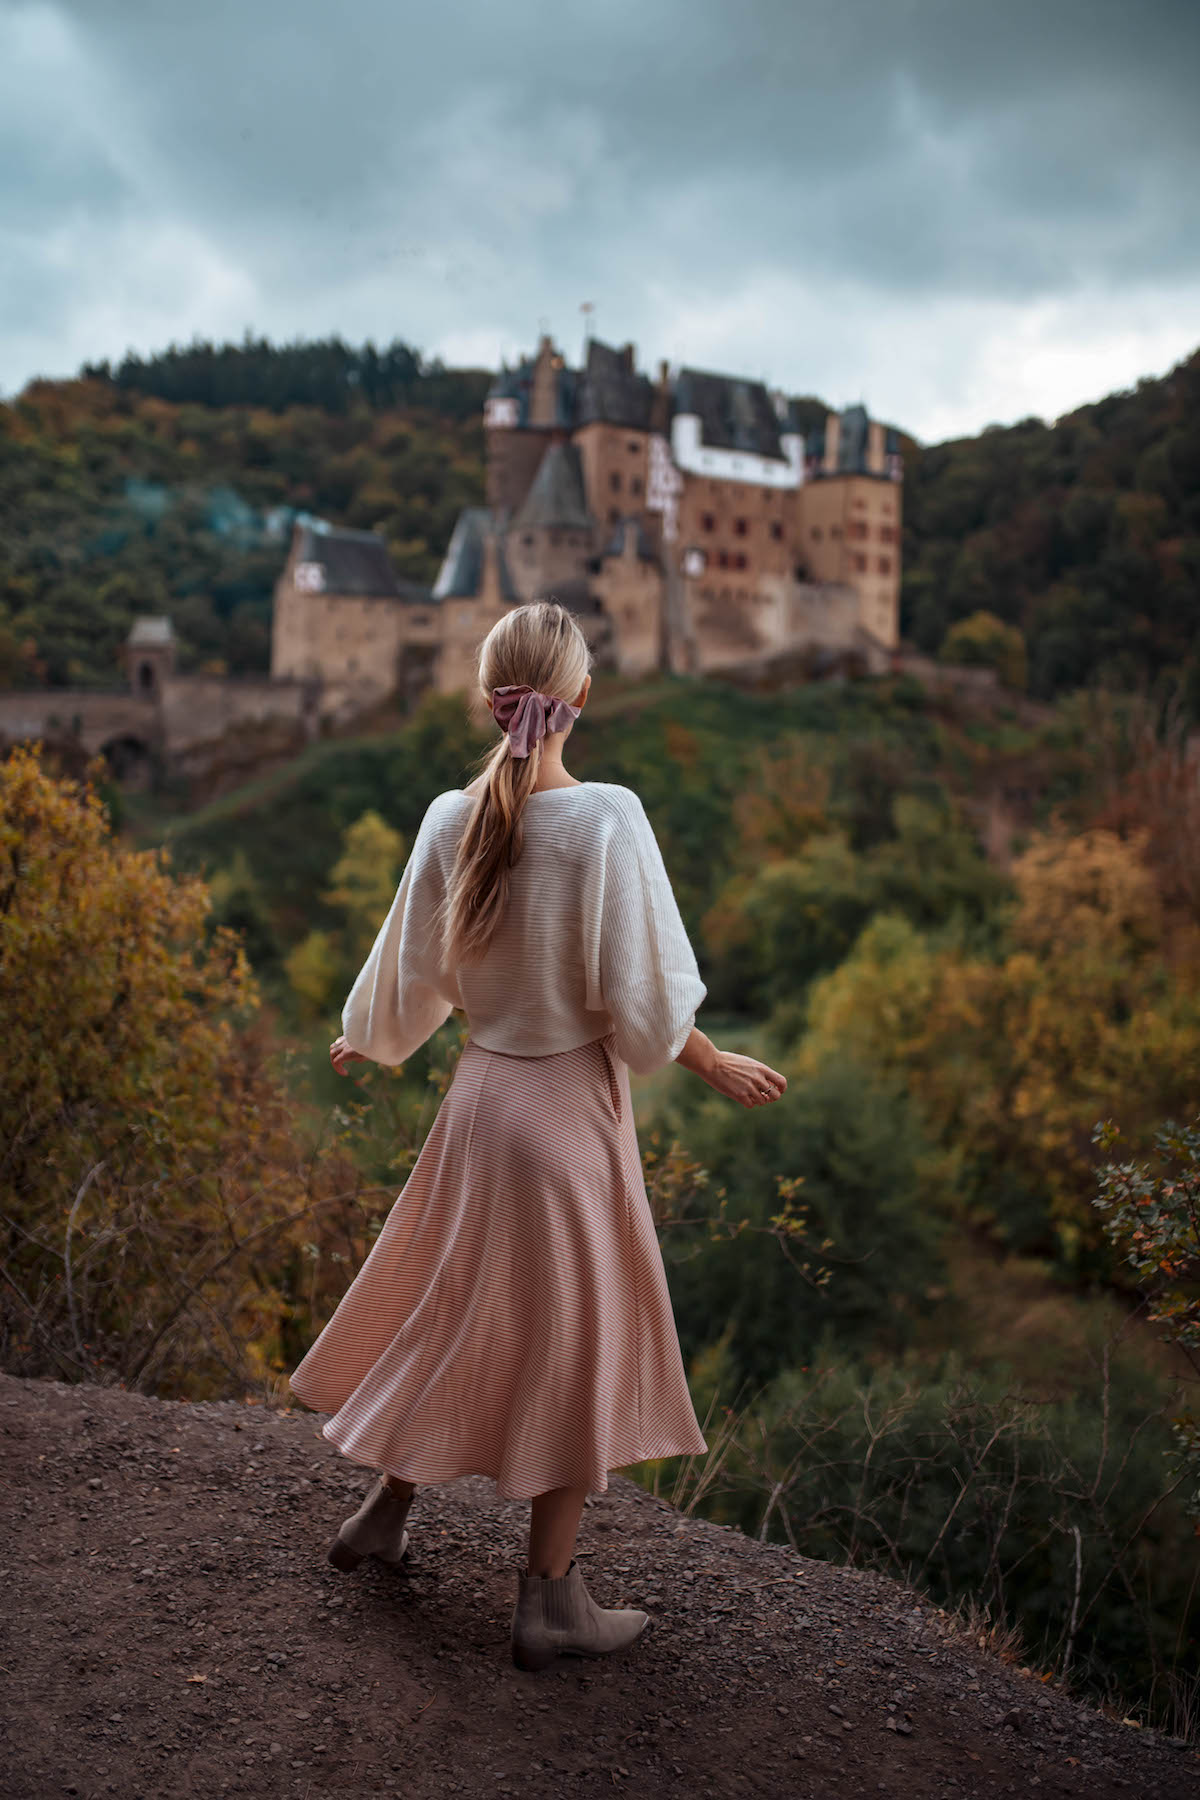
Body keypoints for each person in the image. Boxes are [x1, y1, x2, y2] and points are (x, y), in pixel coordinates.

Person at [287, 599, 787, 1672]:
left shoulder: (442, 818)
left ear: (487, 697)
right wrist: (712, 1058)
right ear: (581, 699)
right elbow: (643, 1002)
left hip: (478, 1100)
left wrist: (365, 1042)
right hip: (564, 1112)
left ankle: (384, 1513)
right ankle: (550, 1601)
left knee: (456, 1309)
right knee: (576, 1347)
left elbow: (406, 976)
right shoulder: (606, 817)